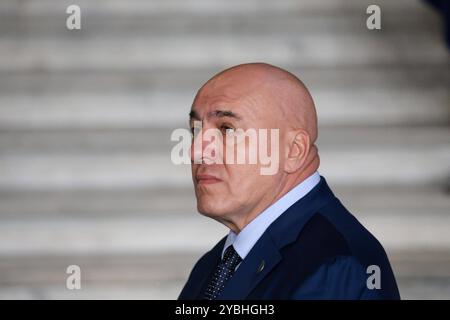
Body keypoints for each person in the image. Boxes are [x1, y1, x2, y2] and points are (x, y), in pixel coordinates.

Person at [178, 63, 400, 300]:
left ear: (294, 151)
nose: (196, 150)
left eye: (227, 129)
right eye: (196, 130)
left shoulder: (334, 268)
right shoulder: (215, 265)